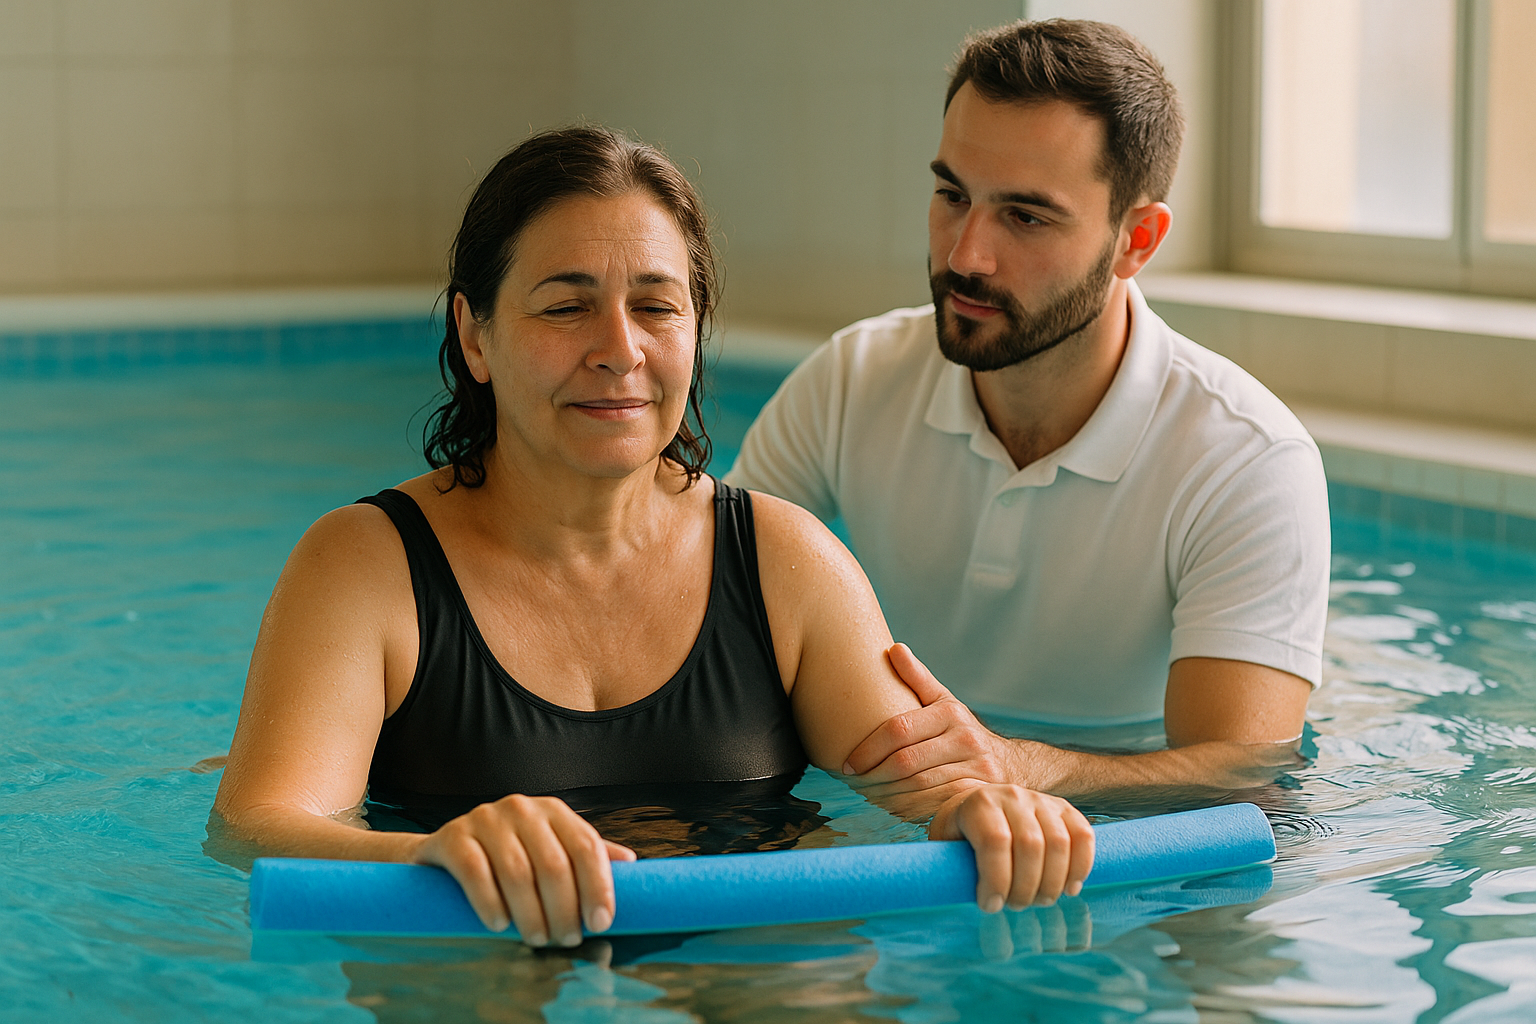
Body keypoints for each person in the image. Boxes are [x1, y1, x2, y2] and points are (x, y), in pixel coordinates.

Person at [212, 126, 1094, 950]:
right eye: (566, 307)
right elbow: (258, 826)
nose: (620, 349)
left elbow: (923, 787)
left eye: (656, 306)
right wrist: (442, 855)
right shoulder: (368, 566)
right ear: (475, 336)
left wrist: (985, 811)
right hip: (476, 940)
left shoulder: (784, 563)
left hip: (738, 945)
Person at [725, 20, 1330, 802]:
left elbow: (1246, 775)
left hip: (1114, 842)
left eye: (1026, 217)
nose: (964, 255)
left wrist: (1028, 768)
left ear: (1137, 240)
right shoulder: (853, 380)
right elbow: (706, 616)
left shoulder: (1245, 461)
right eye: (953, 196)